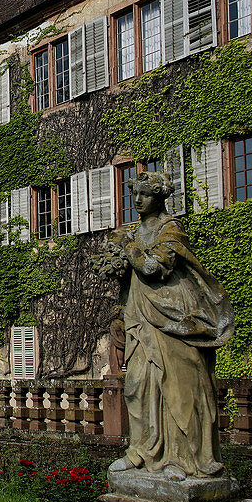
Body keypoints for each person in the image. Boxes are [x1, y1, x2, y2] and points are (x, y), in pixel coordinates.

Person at [96, 171, 234, 481]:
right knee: (137, 385)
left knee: (176, 388)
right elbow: (132, 275)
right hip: (140, 317)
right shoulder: (136, 232)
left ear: (160, 198)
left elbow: (151, 266)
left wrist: (127, 247)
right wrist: (115, 267)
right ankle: (140, 451)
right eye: (135, 193)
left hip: (171, 317)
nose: (137, 200)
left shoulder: (172, 230)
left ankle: (181, 459)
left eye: (144, 194)